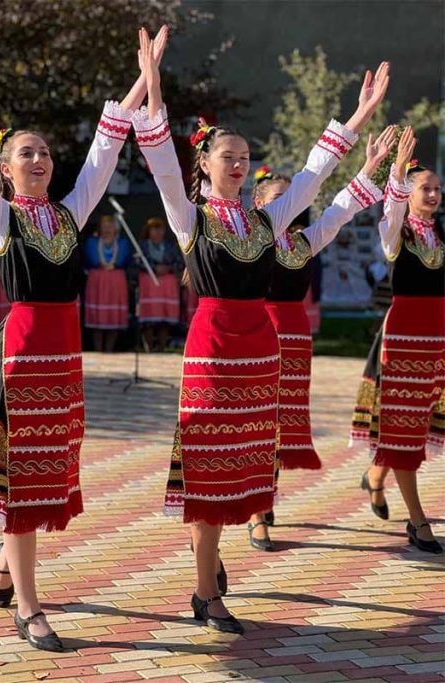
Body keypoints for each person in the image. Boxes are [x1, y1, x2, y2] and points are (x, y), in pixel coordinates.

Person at [135, 27, 387, 633]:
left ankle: (211, 554)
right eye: (229, 156)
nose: (240, 163)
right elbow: (162, 161)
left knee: (244, 463)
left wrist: (360, 115)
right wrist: (152, 84)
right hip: (213, 347)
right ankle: (204, 591)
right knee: (207, 461)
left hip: (261, 349)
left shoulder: (266, 220)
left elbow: (313, 177)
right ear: (207, 163)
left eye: (245, 156)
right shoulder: (188, 215)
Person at [0, 25, 168, 652]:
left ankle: (8, 568)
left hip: (65, 356)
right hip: (21, 353)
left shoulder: (72, 210)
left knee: (49, 471)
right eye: (26, 154)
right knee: (21, 478)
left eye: (43, 153)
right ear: (6, 172)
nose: (39, 160)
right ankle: (29, 610)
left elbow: (105, 151)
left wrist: (146, 74)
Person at [249, 128, 395, 551]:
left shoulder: (306, 241)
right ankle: (258, 511)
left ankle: (265, 493)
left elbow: (341, 210)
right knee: (258, 421)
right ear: (259, 204)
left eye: (291, 200)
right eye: (278, 200)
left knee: (280, 423)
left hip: (295, 337)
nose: (288, 207)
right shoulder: (249, 239)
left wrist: (370, 166)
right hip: (257, 333)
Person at [354, 128, 443, 554]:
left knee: (415, 427)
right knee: (404, 431)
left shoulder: (440, 237)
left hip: (436, 345)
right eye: (425, 187)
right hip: (404, 343)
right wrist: (395, 171)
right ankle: (418, 521)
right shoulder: (396, 233)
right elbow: (389, 209)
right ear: (408, 192)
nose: (433, 194)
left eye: (437, 189)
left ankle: (375, 476)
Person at [83, 213, 132, 351]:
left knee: (113, 319)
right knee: (97, 320)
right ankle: (98, 350)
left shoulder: (122, 243)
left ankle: (109, 350)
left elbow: (125, 260)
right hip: (97, 281)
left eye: (110, 226)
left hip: (116, 281)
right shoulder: (92, 242)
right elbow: (89, 261)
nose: (107, 230)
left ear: (116, 228)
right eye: (104, 226)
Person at [136, 217, 182, 351]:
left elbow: (179, 263)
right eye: (154, 229)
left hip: (167, 288)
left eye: (160, 229)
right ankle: (149, 349)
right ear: (149, 231)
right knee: (148, 321)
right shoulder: (142, 246)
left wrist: (167, 268)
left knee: (164, 321)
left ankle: (162, 348)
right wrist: (154, 268)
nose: (157, 232)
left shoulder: (171, 246)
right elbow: (137, 262)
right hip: (148, 287)